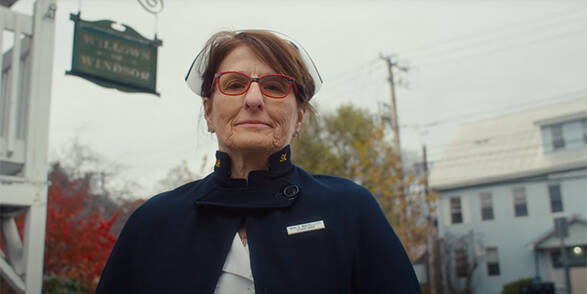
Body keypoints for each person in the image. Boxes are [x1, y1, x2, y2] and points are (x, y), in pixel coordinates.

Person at [95, 30, 422, 294]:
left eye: (275, 86)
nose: (253, 99)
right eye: (235, 85)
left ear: (300, 117)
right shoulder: (152, 224)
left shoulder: (350, 211)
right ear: (208, 112)